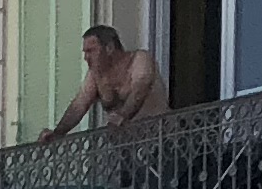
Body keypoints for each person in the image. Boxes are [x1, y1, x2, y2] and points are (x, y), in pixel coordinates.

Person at [39, 22, 168, 142]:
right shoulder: (96, 75)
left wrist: (123, 114)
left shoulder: (139, 59)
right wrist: (58, 132)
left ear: (109, 48)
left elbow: (141, 86)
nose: (86, 57)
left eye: (91, 51)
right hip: (127, 147)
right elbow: (79, 105)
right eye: (85, 52)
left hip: (162, 139)